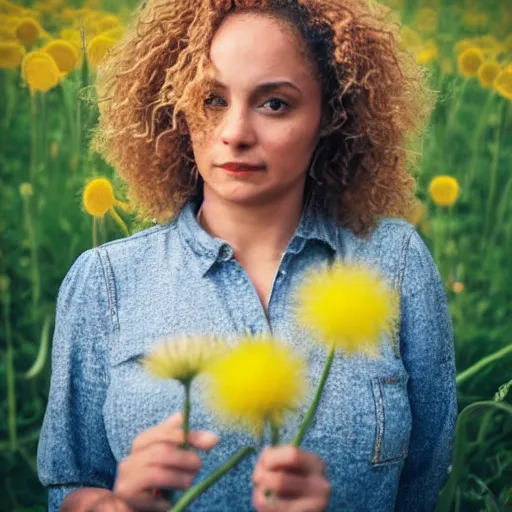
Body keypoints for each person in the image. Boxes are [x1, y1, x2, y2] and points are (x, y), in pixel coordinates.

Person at [37, 0, 458, 511]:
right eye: (212, 99)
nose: (235, 133)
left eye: (274, 103)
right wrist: (113, 506)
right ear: (177, 106)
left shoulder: (396, 263)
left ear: (331, 114)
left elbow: (424, 486)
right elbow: (69, 485)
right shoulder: (105, 279)